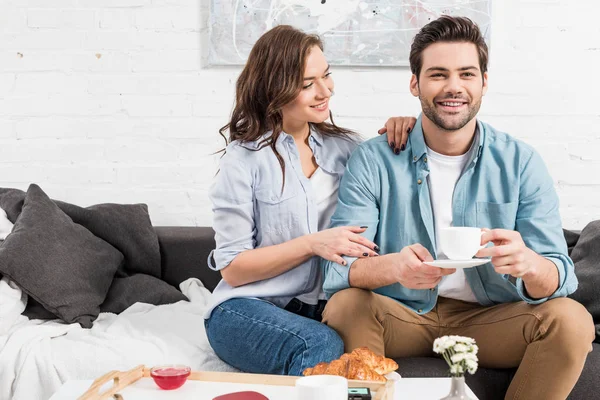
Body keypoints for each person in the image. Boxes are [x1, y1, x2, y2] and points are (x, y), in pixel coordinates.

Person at [321, 15, 595, 399]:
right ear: (415, 83)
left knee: (572, 320)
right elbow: (339, 267)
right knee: (347, 305)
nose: (453, 87)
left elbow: (559, 276)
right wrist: (394, 267)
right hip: (402, 316)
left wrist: (531, 265)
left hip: (492, 320)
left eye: (466, 74)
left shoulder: (520, 162)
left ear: (484, 82)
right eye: (438, 74)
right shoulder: (375, 159)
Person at [204, 24, 416, 376]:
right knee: (319, 344)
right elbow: (234, 268)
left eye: (326, 76)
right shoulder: (243, 161)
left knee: (359, 353)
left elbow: (401, 175)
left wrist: (407, 126)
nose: (325, 91)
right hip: (247, 308)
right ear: (275, 88)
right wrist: (312, 244)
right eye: (307, 84)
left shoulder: (346, 148)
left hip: (322, 306)